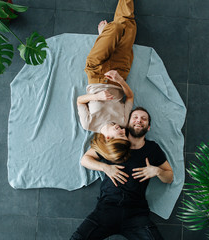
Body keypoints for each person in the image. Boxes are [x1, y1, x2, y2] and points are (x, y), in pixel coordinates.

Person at [70, 107, 174, 240]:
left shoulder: (153, 149)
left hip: (136, 213)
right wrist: (106, 168)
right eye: (135, 117)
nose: (139, 120)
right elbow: (85, 160)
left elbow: (169, 177)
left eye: (144, 119)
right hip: (107, 208)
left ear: (148, 127)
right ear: (128, 123)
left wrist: (157, 171)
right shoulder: (115, 141)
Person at [77, 0, 136, 142]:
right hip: (119, 73)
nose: (122, 130)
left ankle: (105, 35)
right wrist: (120, 80)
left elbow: (80, 101)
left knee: (115, 27)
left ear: (108, 138)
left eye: (120, 134)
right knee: (129, 27)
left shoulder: (89, 124)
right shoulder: (123, 122)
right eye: (124, 133)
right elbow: (129, 98)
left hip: (96, 72)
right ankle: (106, 37)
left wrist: (97, 97)